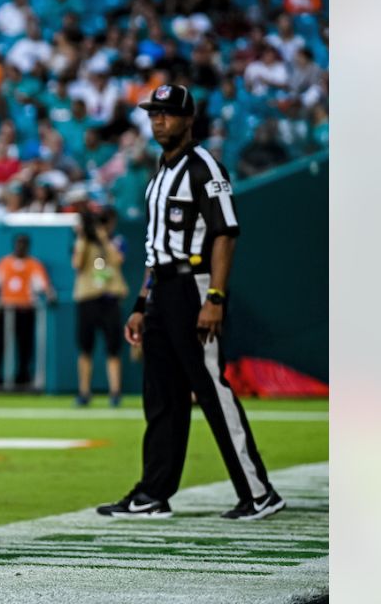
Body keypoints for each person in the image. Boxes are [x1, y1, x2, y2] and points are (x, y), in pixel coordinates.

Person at [97, 85, 284, 521]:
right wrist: (143, 302)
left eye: (167, 113)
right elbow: (155, 245)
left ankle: (258, 492)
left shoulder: (204, 168)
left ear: (188, 119)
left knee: (212, 389)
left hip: (195, 285)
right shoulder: (159, 174)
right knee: (161, 395)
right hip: (163, 287)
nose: (158, 120)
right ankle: (153, 493)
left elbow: (225, 233)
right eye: (153, 113)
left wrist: (215, 296)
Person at [72, 208, 128, 407]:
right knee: (85, 347)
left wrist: (104, 239)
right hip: (88, 297)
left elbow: (118, 260)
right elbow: (77, 264)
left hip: (110, 298)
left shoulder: (116, 241)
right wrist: (84, 238)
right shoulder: (83, 241)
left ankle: (115, 391)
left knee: (113, 348)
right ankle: (84, 391)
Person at [0, 234, 56, 389]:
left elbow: (44, 286)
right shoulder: (4, 263)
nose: (21, 247)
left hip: (25, 311)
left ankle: (22, 376)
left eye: (24, 244)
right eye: (18, 243)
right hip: (5, 310)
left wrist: (51, 296)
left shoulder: (34, 264)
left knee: (25, 346)